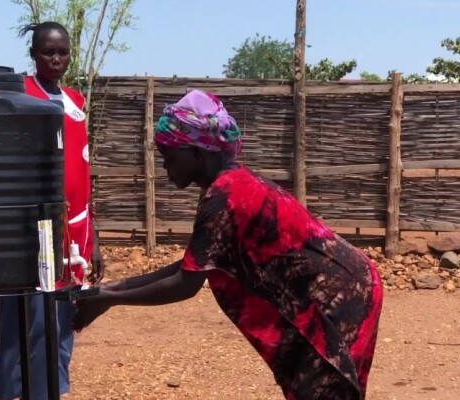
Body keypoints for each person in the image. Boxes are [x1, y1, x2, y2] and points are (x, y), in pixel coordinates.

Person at [73, 89, 384, 400]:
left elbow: (186, 283)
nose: (165, 166)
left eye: (169, 156)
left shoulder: (226, 196)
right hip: (345, 286)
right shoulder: (228, 184)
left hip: (339, 298)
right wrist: (107, 291)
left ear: (196, 153)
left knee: (321, 391)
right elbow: (191, 266)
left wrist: (108, 298)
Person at [0, 21, 105, 400]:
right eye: (47, 52)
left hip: (76, 231)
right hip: (34, 231)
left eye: (62, 52)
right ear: (33, 55)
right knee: (22, 323)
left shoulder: (75, 101)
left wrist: (96, 239)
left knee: (61, 322)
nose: (56, 59)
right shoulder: (21, 95)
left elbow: (83, 171)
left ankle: (50, 392)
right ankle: (11, 393)